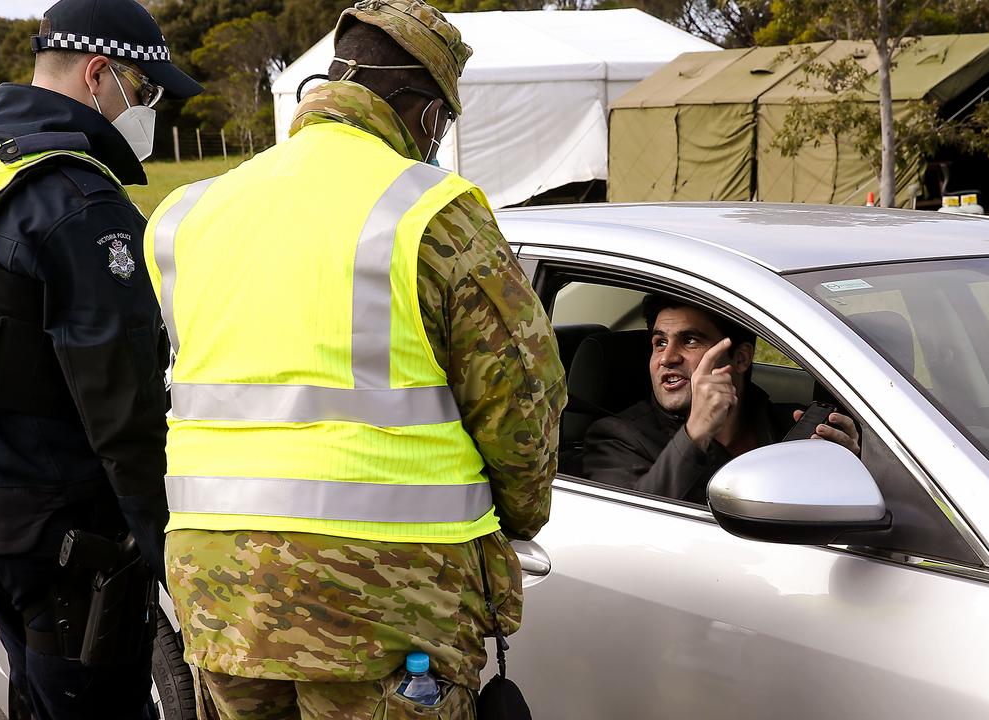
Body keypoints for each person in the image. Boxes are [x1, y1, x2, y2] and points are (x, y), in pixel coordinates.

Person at [145, 1, 566, 718]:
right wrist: (522, 517)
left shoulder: (190, 212)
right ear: (427, 114)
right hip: (384, 594)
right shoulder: (434, 209)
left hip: (219, 589)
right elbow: (520, 403)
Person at [0, 1, 202, 717]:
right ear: (100, 74)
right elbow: (124, 410)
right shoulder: (76, 200)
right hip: (67, 536)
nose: (151, 110)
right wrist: (168, 551)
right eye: (147, 91)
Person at [583, 294, 860, 503]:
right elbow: (627, 528)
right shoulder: (616, 438)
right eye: (660, 343)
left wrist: (850, 467)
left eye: (690, 340)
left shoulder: (791, 427)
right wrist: (696, 434)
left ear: (740, 358)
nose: (667, 358)